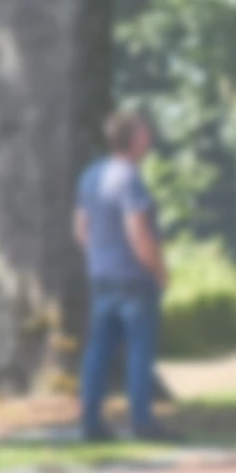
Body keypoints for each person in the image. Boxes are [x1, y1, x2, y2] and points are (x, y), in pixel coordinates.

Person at [75, 110, 167, 443]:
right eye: (144, 133)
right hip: (133, 278)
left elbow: (81, 228)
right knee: (140, 349)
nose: (149, 138)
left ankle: (90, 420)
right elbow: (138, 232)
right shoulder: (129, 178)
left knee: (97, 349)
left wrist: (99, 258)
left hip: (101, 277)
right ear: (132, 139)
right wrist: (157, 270)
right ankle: (141, 420)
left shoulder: (91, 176)